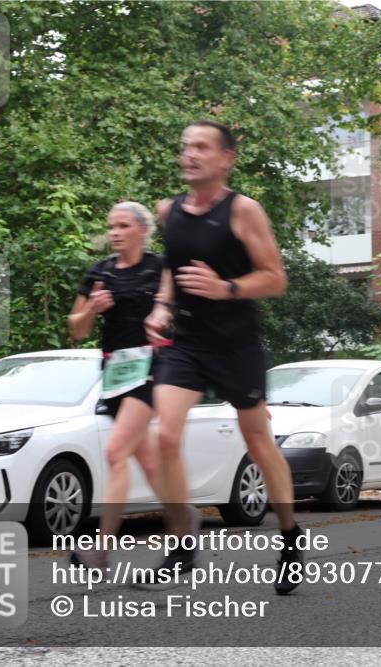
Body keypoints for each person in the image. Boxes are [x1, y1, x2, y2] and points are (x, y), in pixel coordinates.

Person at [144, 119, 304, 594]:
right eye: (185, 146)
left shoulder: (243, 211)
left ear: (226, 158)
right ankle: (181, 541)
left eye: (201, 147)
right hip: (188, 343)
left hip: (236, 344)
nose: (189, 154)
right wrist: (160, 306)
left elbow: (275, 278)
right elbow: (173, 269)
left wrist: (225, 288)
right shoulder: (168, 211)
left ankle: (291, 536)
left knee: (257, 440)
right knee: (165, 435)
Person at [67, 202, 175, 570]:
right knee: (144, 460)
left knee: (116, 452)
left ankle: (101, 547)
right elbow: (76, 329)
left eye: (123, 225)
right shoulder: (100, 272)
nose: (114, 232)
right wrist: (92, 309)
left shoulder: (159, 267)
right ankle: (184, 521)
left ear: (143, 230)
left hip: (152, 366)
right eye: (111, 226)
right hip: (115, 372)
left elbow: (177, 305)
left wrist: (163, 317)